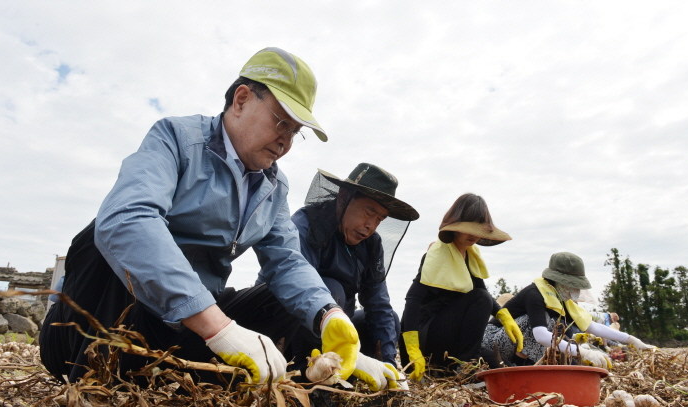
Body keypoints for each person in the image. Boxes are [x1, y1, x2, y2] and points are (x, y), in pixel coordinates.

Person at [39, 47, 361, 387]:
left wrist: (329, 314)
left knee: (304, 296)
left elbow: (287, 262)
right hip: (93, 330)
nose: (286, 141)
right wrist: (218, 327)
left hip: (179, 334)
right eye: (282, 122)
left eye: (295, 132)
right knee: (105, 239)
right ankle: (96, 386)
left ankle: (306, 375)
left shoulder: (274, 185)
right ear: (241, 100)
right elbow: (126, 218)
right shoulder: (176, 139)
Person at [268, 163, 418, 390]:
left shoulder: (371, 244)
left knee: (389, 319)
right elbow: (294, 287)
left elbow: (378, 304)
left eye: (380, 219)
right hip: (286, 331)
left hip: (336, 333)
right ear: (344, 197)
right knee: (332, 289)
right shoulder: (306, 225)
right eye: (369, 212)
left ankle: (369, 375)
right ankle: (309, 376)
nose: (370, 226)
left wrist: (389, 363)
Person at [399, 193, 523, 380]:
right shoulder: (437, 255)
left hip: (450, 339)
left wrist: (504, 316)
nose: (473, 235)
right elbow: (413, 299)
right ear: (455, 227)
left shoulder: (470, 257)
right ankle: (467, 366)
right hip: (429, 334)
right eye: (468, 228)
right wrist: (411, 349)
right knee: (480, 297)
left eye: (478, 229)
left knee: (492, 364)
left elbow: (484, 293)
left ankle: (460, 366)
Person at [481, 252, 656, 368]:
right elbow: (540, 335)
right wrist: (582, 352)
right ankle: (518, 366)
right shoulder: (535, 294)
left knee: (558, 328)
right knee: (543, 324)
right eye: (573, 285)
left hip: (515, 344)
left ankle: (523, 367)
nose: (576, 290)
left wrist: (631, 340)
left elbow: (591, 326)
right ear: (558, 280)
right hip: (493, 341)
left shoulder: (562, 299)